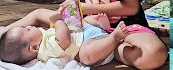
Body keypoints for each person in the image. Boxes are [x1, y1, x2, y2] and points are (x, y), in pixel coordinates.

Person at [0, 9, 128, 66]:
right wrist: (57, 21)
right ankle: (113, 38)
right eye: (27, 29)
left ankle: (99, 24)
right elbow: (64, 40)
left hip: (83, 32)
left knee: (83, 21)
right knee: (86, 56)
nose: (30, 26)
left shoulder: (40, 36)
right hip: (88, 42)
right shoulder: (45, 49)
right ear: (34, 47)